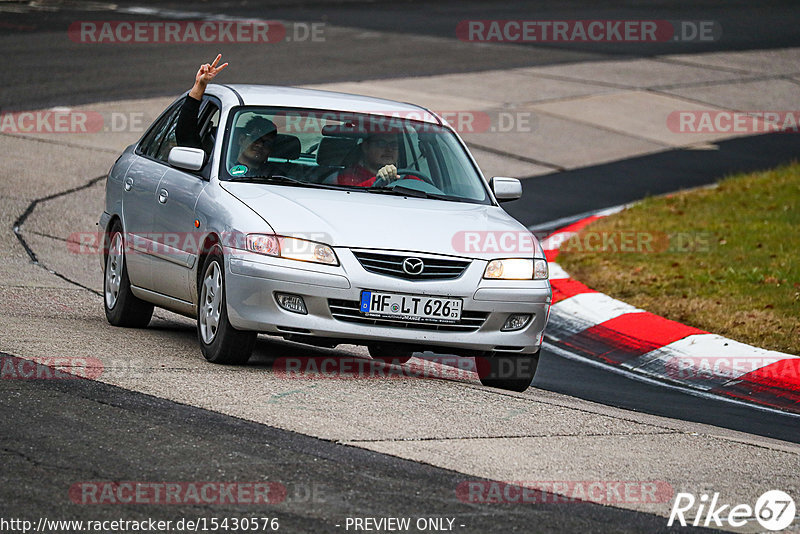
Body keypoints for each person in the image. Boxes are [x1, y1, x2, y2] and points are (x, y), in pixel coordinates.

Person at [176, 54, 279, 176]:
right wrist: (200, 85)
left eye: (266, 142)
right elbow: (185, 135)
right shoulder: (214, 168)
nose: (260, 145)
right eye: (255, 137)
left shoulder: (279, 176)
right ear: (241, 139)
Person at [336, 132, 416, 187]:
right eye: (381, 144)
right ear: (366, 147)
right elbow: (349, 199)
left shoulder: (406, 176)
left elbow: (426, 190)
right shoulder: (349, 176)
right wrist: (378, 180)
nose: (389, 149)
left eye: (393, 145)